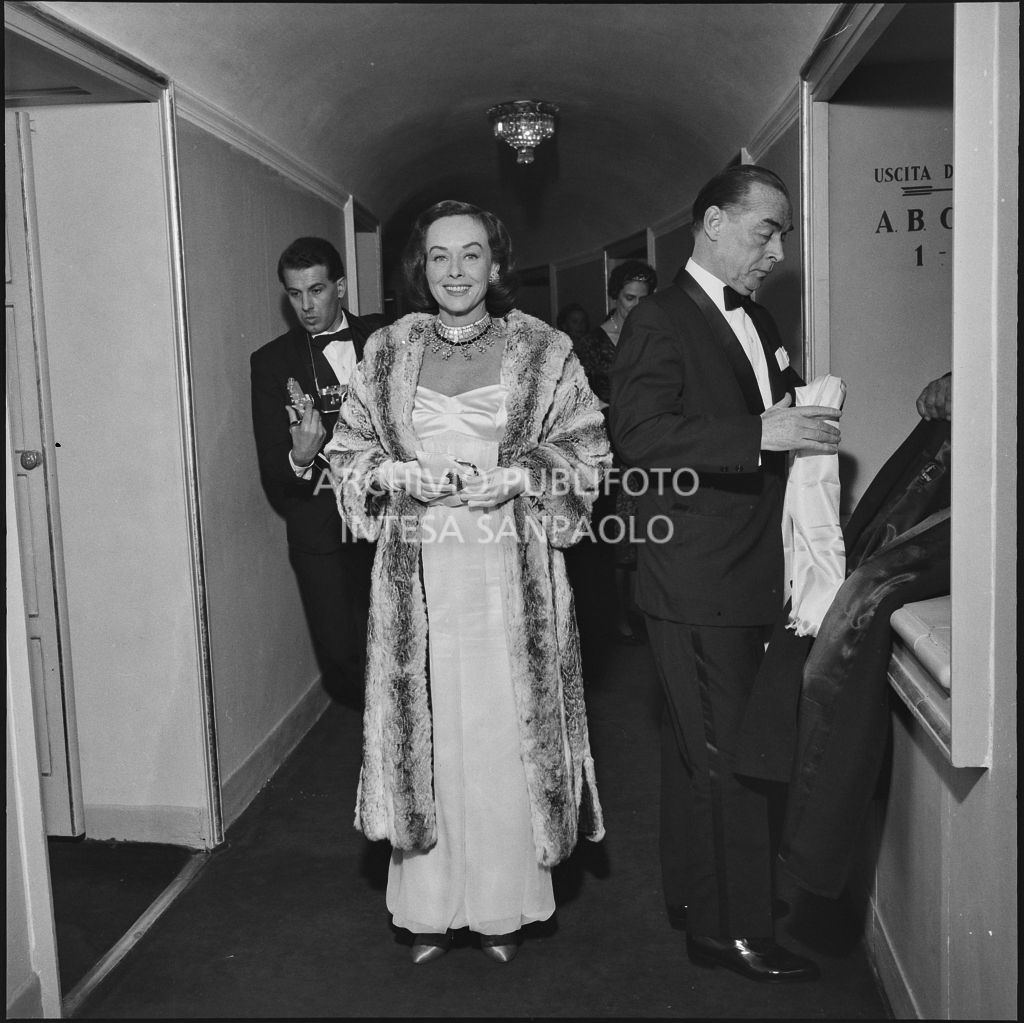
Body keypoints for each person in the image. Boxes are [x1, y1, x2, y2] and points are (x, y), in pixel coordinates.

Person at [325, 200, 609, 965]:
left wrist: (521, 475)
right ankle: (430, 907)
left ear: (496, 263)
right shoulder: (386, 351)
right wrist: (395, 473)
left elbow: (589, 450)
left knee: (502, 737)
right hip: (417, 576)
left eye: (472, 254)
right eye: (440, 256)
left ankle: (499, 907)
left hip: (513, 577)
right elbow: (346, 453)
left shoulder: (544, 350)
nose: (455, 271)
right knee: (429, 737)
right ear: (422, 267)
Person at [609, 165, 842, 984]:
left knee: (697, 750)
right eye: (765, 231)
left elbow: (767, 418)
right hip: (698, 578)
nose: (776, 251)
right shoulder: (659, 319)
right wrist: (759, 432)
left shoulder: (759, 316)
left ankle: (694, 894)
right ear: (713, 222)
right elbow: (638, 435)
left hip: (747, 571)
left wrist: (796, 418)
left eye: (781, 235)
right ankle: (734, 930)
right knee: (729, 756)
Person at [250, 237, 382, 704]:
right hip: (320, 525)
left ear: (340, 287)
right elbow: (273, 468)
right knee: (340, 653)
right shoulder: (270, 363)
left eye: (317, 290)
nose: (306, 306)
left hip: (391, 515)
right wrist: (300, 457)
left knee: (402, 638)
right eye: (294, 294)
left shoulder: (384, 337)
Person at [575, 260, 658, 644]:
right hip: (608, 448)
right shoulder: (591, 343)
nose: (636, 306)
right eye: (628, 298)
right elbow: (576, 397)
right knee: (615, 534)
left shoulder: (655, 335)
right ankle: (616, 613)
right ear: (613, 297)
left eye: (643, 299)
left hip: (647, 445)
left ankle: (643, 607)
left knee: (646, 530)